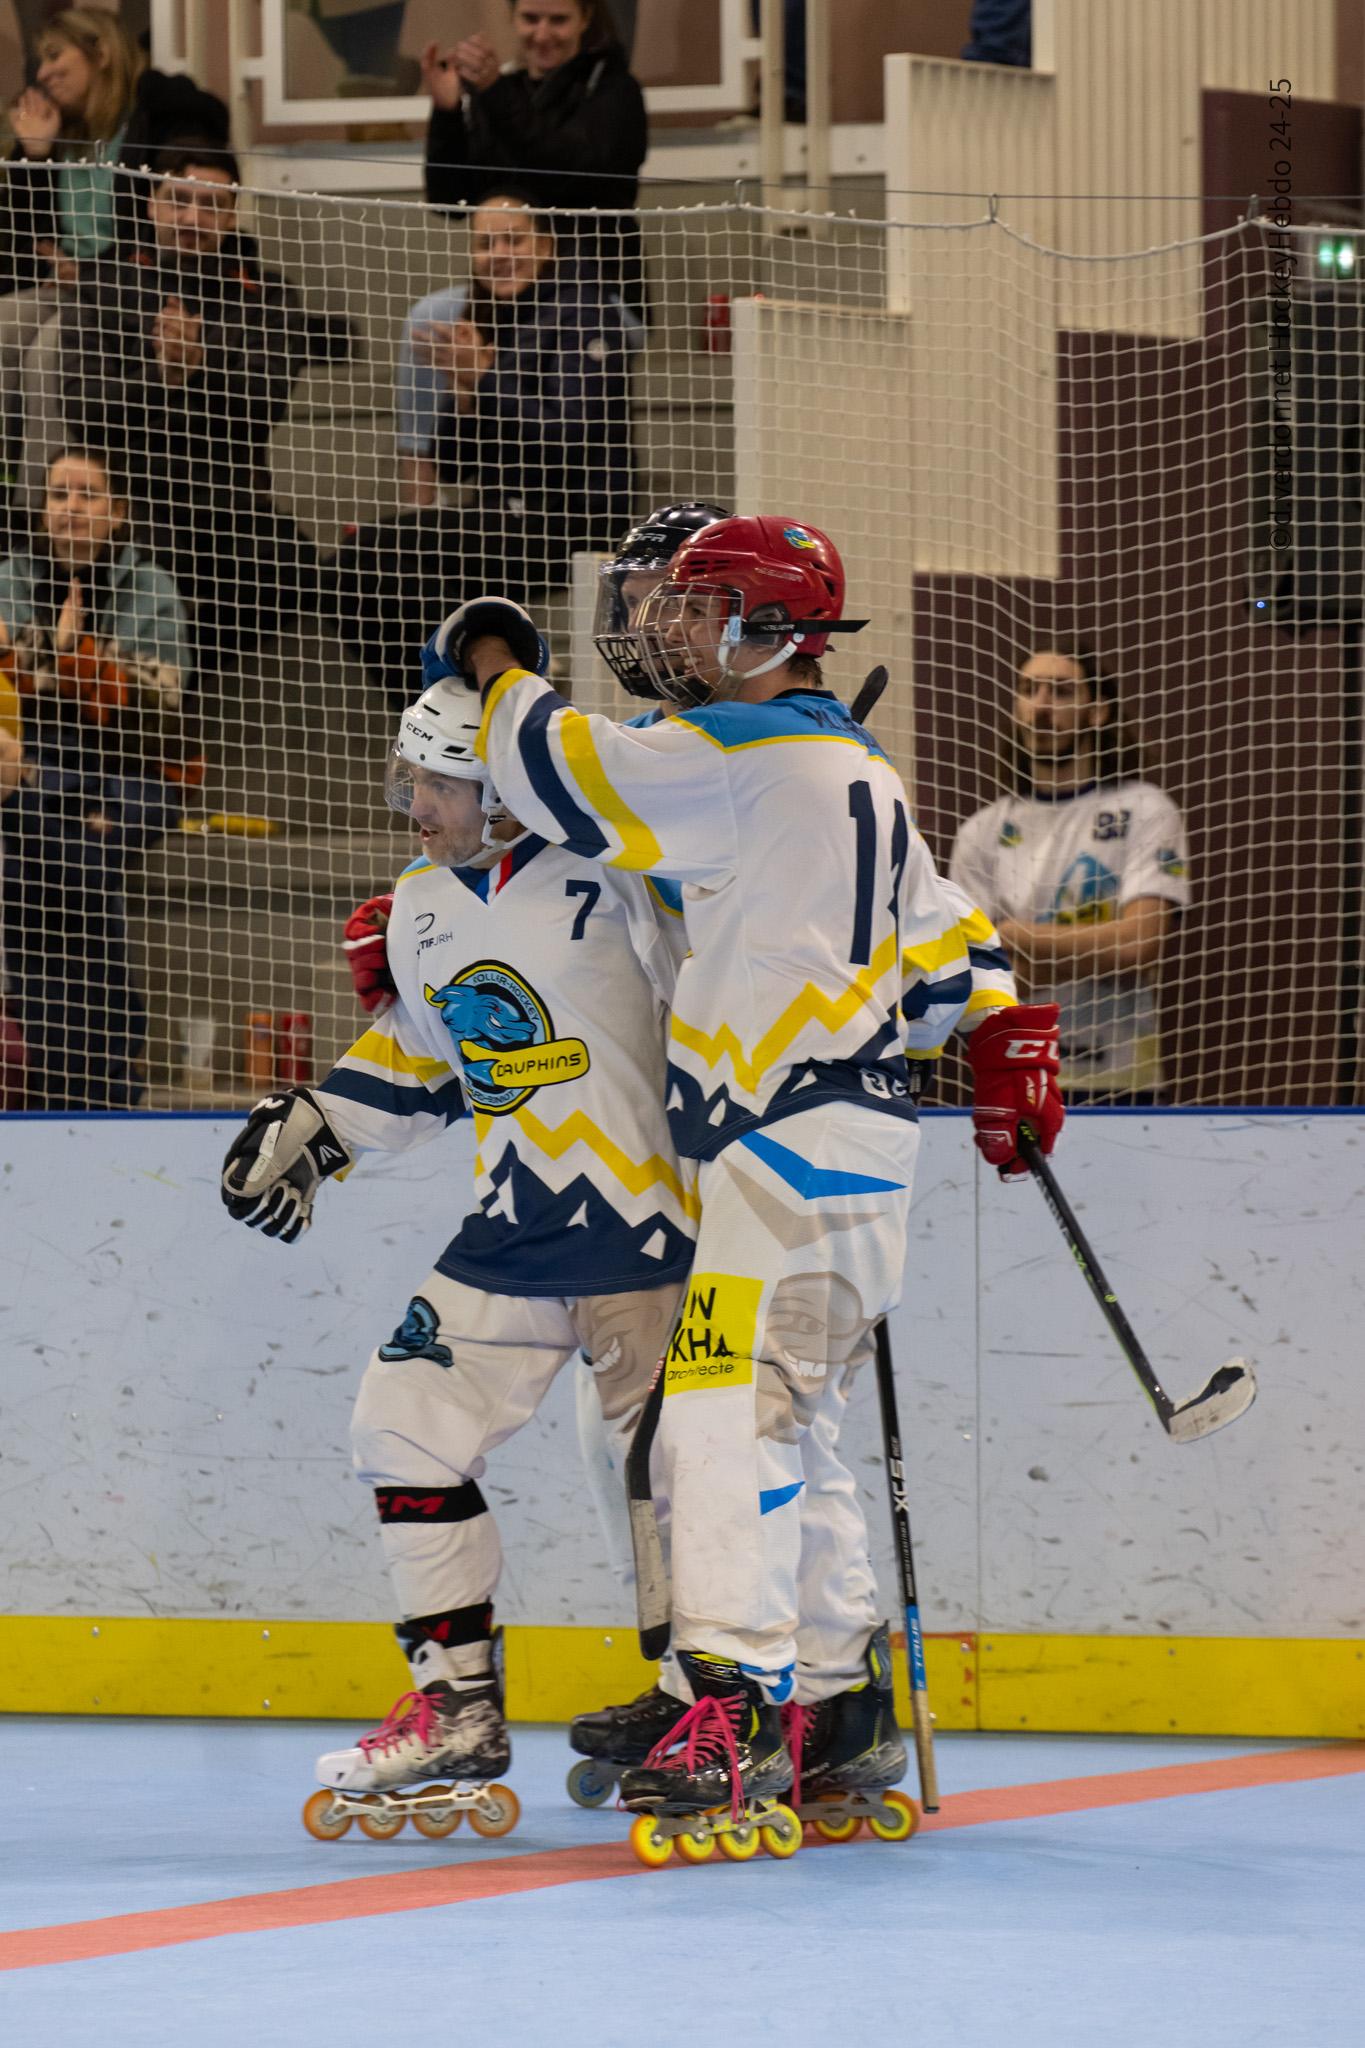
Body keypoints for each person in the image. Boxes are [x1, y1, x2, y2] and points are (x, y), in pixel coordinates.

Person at [430, 518, 1063, 1852]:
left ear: (767, 629)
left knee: (712, 1417)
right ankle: (833, 1698)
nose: (675, 625)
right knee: (792, 1424)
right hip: (845, 1142)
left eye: (704, 605)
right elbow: (952, 977)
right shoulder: (863, 774)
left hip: (784, 1146)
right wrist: (998, 1034)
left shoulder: (730, 756)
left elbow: (556, 763)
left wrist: (494, 662)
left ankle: (733, 1706)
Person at [221, 668, 695, 1819]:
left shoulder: (625, 873)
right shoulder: (422, 904)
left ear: (505, 788)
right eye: (412, 778)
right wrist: (318, 1124)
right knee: (402, 1423)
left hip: (653, 1229)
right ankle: (460, 1712)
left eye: (436, 780)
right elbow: (424, 1063)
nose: (414, 801)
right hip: (515, 1228)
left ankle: (728, 1706)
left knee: (684, 1481)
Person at [336, 192, 634, 696]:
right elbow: (453, 465)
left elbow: (571, 437)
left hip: (569, 519)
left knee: (365, 558)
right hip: (502, 516)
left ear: (545, 247)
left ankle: (447, 707)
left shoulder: (584, 310)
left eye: (513, 239)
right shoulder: (493, 315)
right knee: (361, 565)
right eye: (485, 243)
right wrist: (464, 388)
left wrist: (486, 375)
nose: (498, 253)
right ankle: (456, 704)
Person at [56, 140, 325, 660]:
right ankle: (159, 675)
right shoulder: (103, 285)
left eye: (211, 206)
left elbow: (262, 405)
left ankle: (185, 663)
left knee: (294, 566)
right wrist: (163, 376)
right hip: (134, 499)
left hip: (230, 498)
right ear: (151, 204)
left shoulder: (268, 296)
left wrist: (193, 370)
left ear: (231, 216)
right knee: (149, 560)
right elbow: (83, 408)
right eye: (178, 200)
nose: (192, 217)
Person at [0, 447, 196, 1109]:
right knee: (53, 855)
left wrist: (57, 657)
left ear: (117, 513)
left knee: (57, 853)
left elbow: (158, 710)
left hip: (134, 777)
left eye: (87, 495)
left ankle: (77, 1067)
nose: (71, 509)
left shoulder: (152, 588)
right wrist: (82, 668)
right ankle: (98, 1073)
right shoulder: (10, 575)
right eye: (58, 494)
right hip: (38, 771)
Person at [0, 9, 227, 501]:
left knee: (47, 358)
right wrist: (32, 159)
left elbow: (173, 229)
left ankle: (40, 517)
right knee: (4, 325)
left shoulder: (154, 119)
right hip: (63, 288)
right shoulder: (56, 134)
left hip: (130, 294)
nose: (42, 74)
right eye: (40, 62)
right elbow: (20, 249)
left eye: (55, 56)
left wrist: (89, 271)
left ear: (100, 53)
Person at [949, 644, 1190, 1104]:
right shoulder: (981, 832)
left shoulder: (1144, 808)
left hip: (1121, 1075)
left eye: (1060, 692)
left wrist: (1019, 936)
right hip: (1015, 1072)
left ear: (1096, 712)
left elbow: (1140, 942)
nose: (1041, 705)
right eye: (1029, 690)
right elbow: (977, 970)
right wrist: (1089, 948)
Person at [420, 0, 647, 322]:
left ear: (585, 19)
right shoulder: (503, 91)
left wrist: (496, 94)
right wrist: (448, 114)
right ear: (512, 18)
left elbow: (572, 173)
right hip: (505, 294)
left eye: (558, 20)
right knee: (427, 318)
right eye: (530, 19)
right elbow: (450, 203)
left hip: (596, 287)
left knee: (550, 331)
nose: (542, 35)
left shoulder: (616, 91)